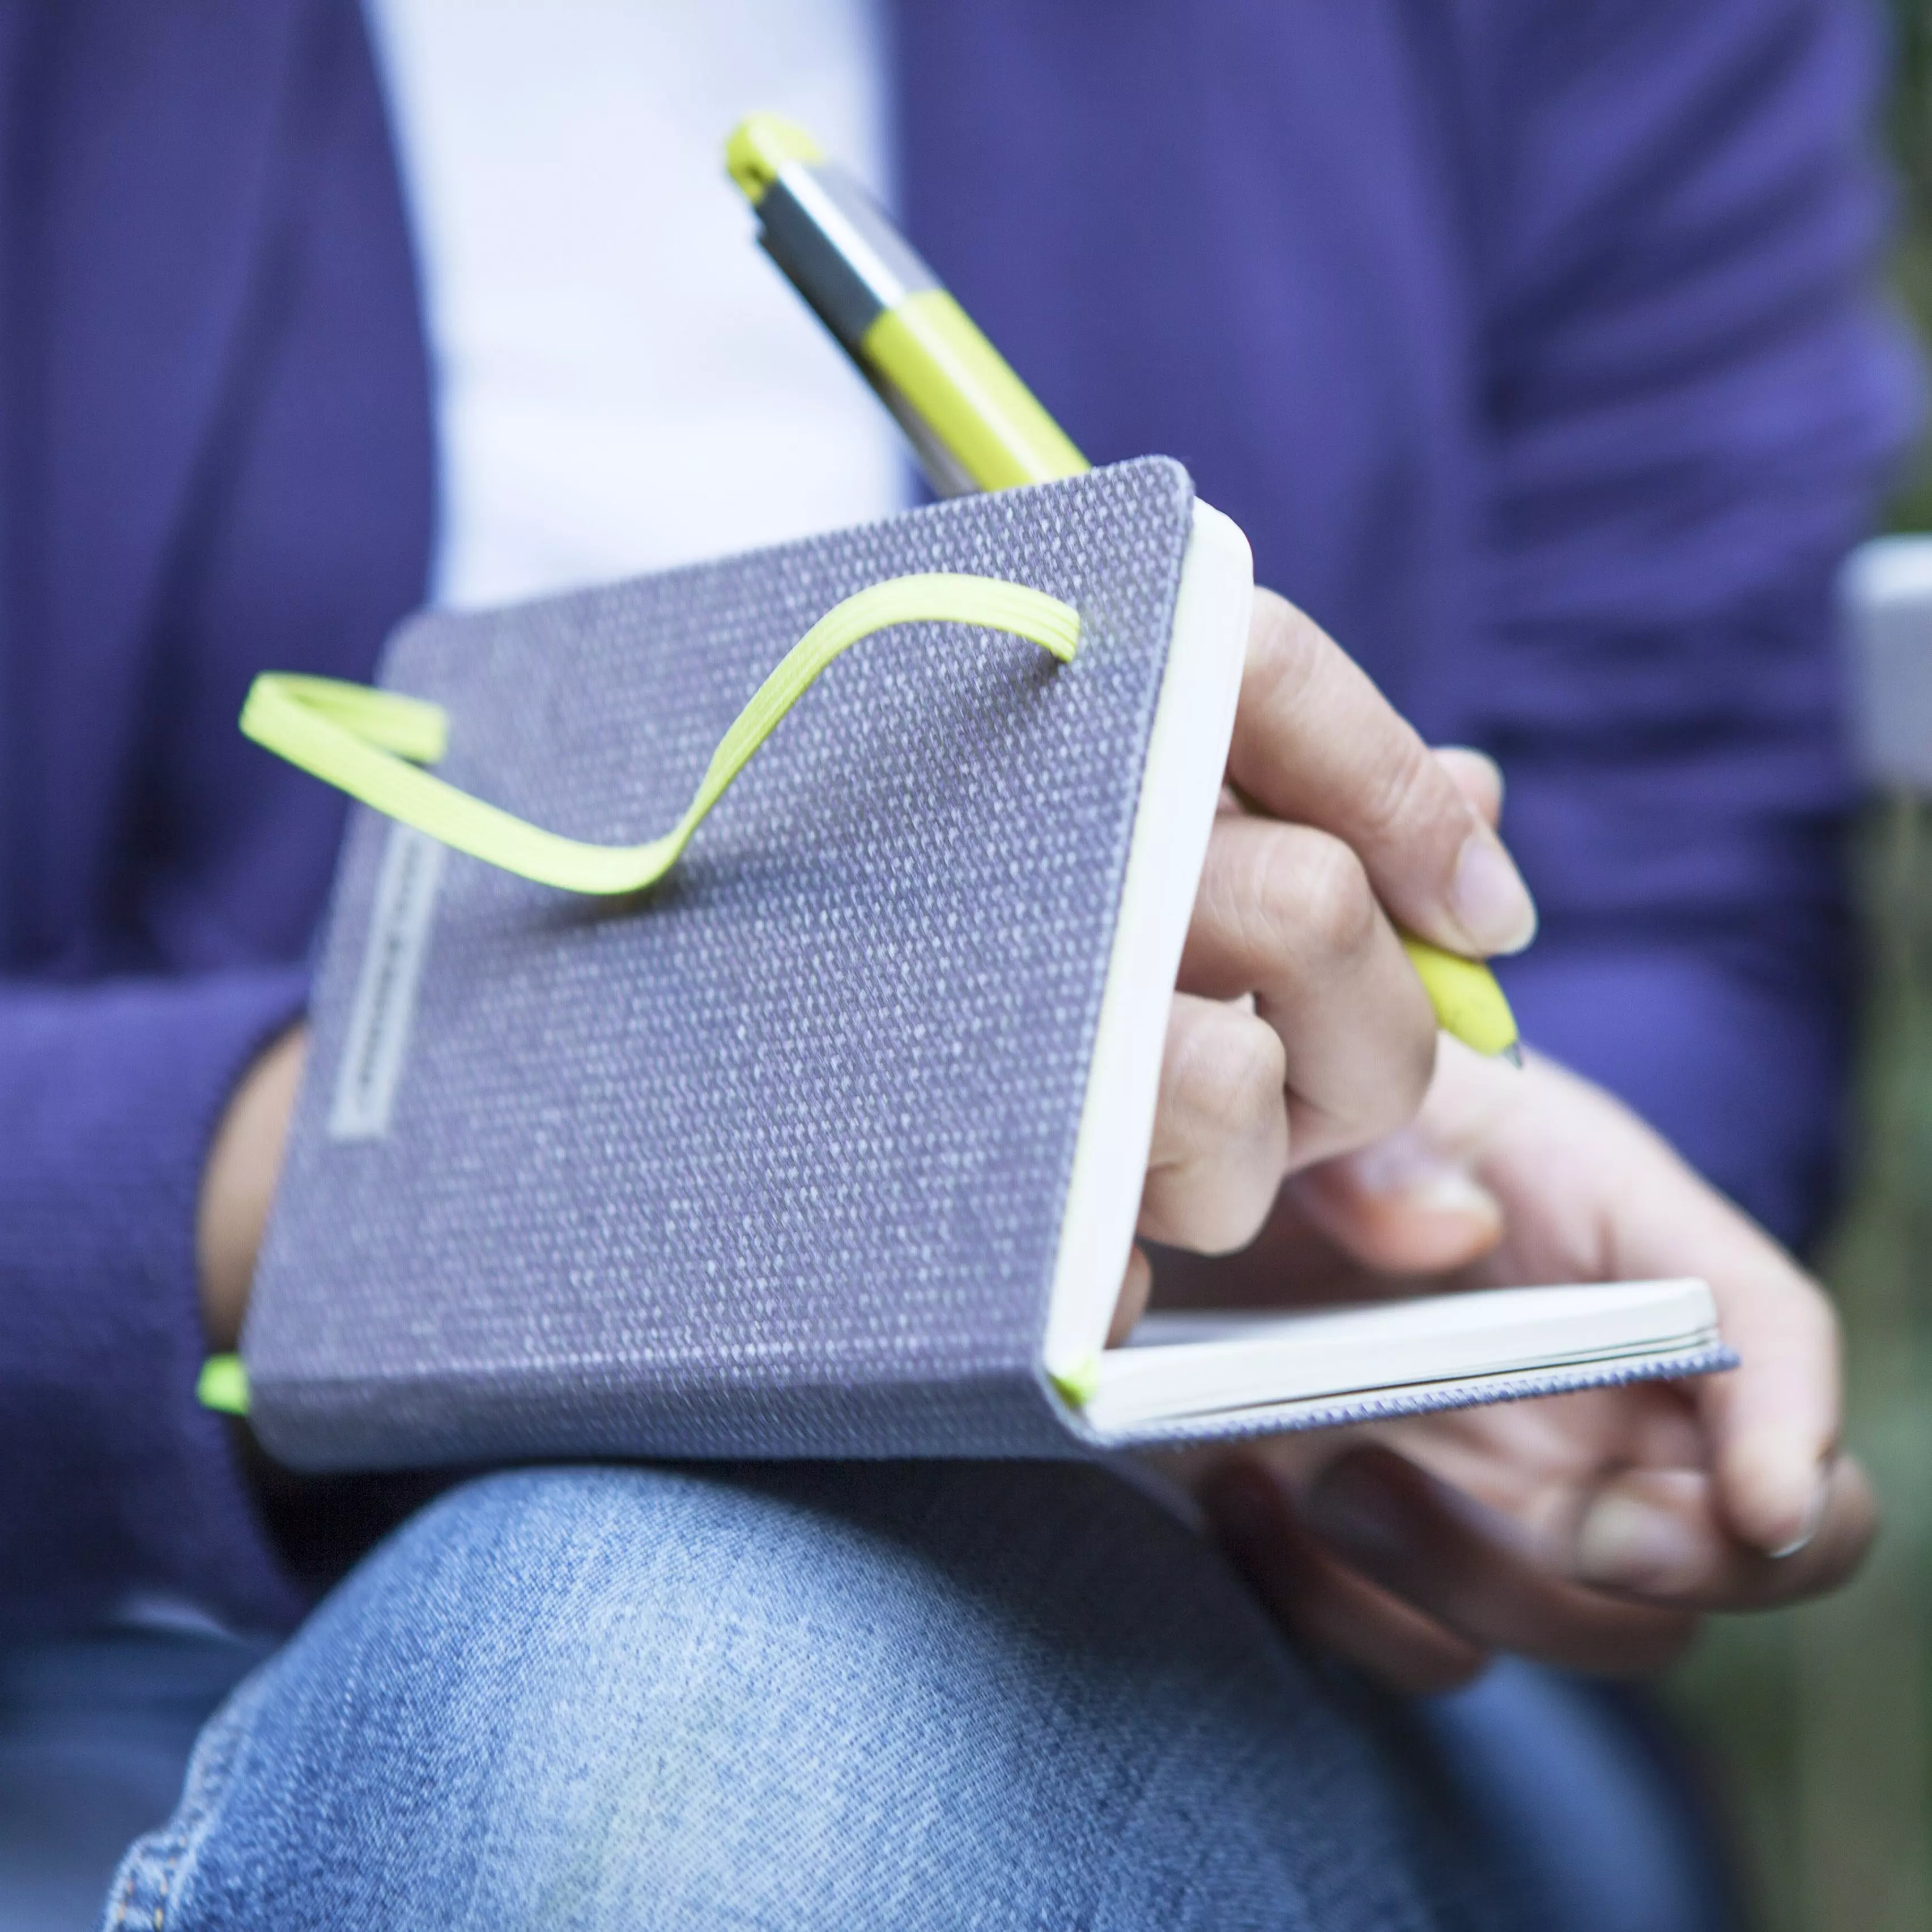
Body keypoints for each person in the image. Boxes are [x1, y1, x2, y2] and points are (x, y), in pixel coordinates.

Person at [0, 1, 1905, 1926]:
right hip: (93, 1611)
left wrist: (1417, 1243)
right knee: (656, 1703)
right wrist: (448, 1156)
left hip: (1252, 1604)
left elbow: (1682, 872)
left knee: (669, 1729)